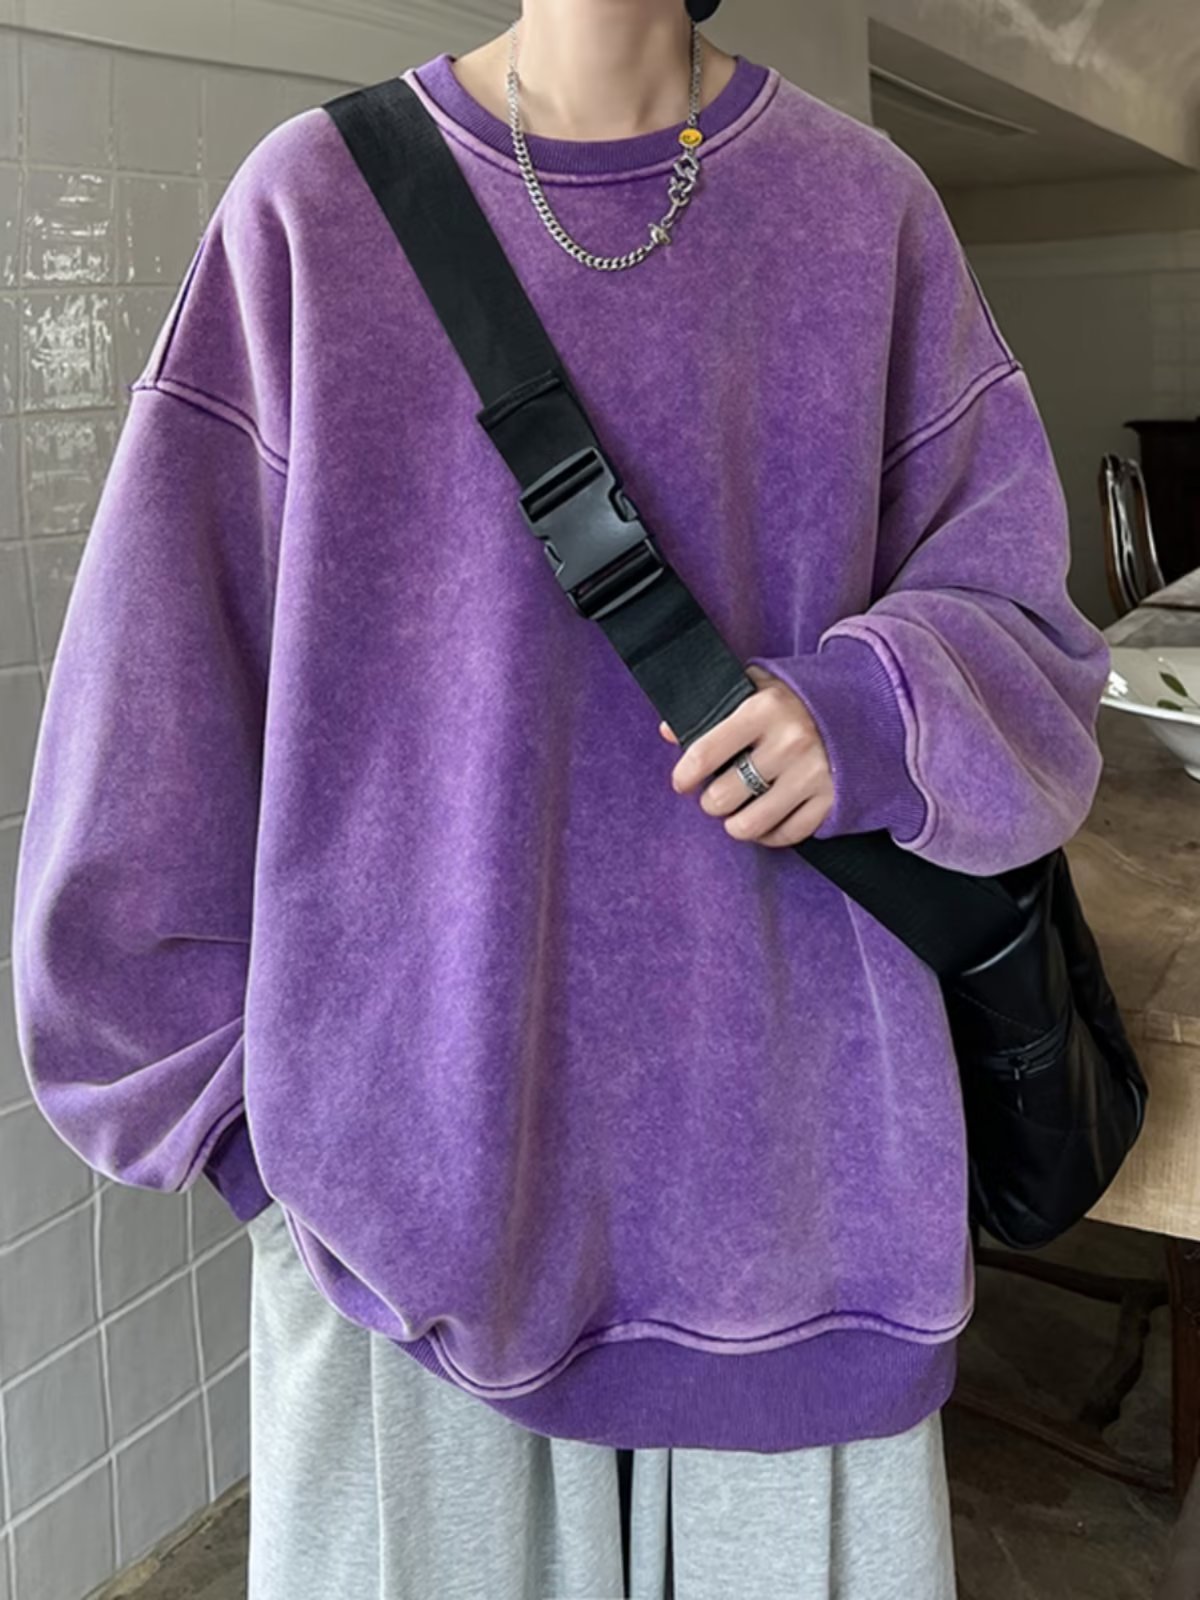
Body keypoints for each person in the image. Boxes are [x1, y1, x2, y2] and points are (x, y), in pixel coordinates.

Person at [11, 0, 1111, 1595]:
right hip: (406, 1224)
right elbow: (151, 709)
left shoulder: (863, 210)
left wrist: (867, 712)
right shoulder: (312, 209)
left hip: (798, 1202)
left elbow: (1029, 636)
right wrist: (263, 1145)